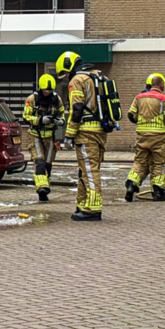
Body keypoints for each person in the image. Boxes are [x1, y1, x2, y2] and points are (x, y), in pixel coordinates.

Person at [56, 51, 106, 222]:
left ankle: (92, 209)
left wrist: (69, 135)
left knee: (90, 171)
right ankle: (83, 203)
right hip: (100, 130)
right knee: (87, 170)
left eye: (65, 74)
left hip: (86, 132)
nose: (66, 78)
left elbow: (77, 109)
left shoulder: (78, 80)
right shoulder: (97, 76)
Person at [125, 73, 165, 202]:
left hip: (141, 136)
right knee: (160, 163)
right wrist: (164, 122)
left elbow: (131, 115)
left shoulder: (139, 97)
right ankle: (158, 190)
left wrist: (142, 123)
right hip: (158, 137)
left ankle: (132, 183)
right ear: (161, 85)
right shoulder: (164, 99)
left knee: (140, 161)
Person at [23, 73, 65, 202]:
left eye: (50, 90)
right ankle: (41, 187)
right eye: (45, 90)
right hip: (36, 135)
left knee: (48, 164)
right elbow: (26, 116)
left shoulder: (56, 99)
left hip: (51, 137)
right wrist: (40, 120)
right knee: (39, 161)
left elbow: (62, 113)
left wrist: (61, 121)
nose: (47, 92)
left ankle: (45, 189)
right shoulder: (32, 99)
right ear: (40, 88)